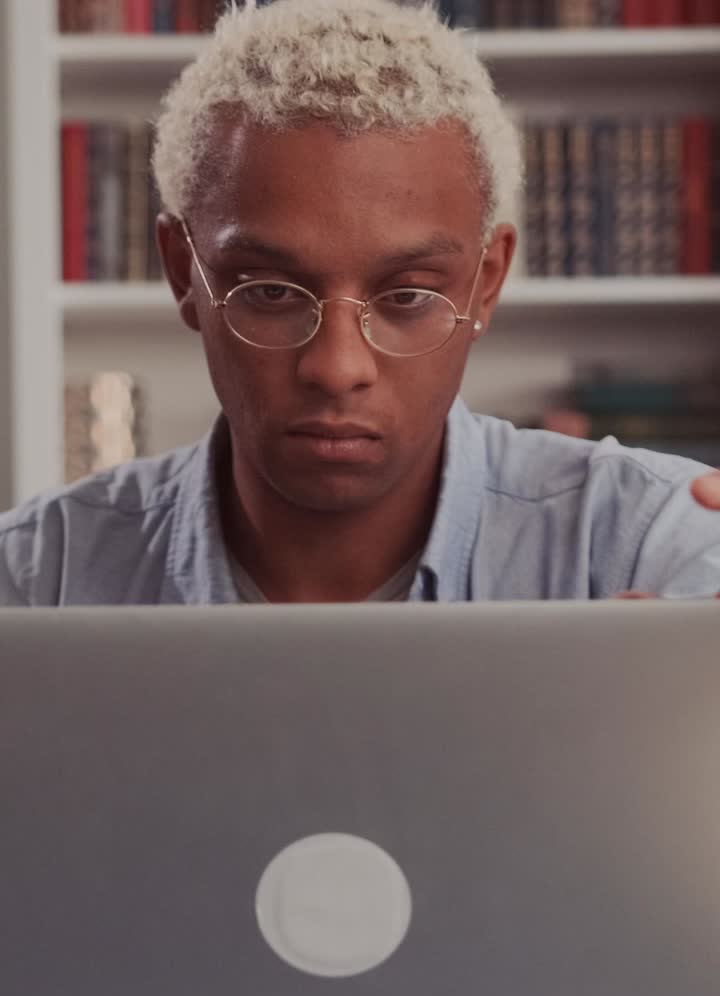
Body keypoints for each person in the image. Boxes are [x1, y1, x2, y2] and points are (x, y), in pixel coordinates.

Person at [1, 0, 719, 606]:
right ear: (183, 271)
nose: (337, 368)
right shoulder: (36, 583)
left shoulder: (654, 547)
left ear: (487, 281)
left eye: (407, 295)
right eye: (271, 292)